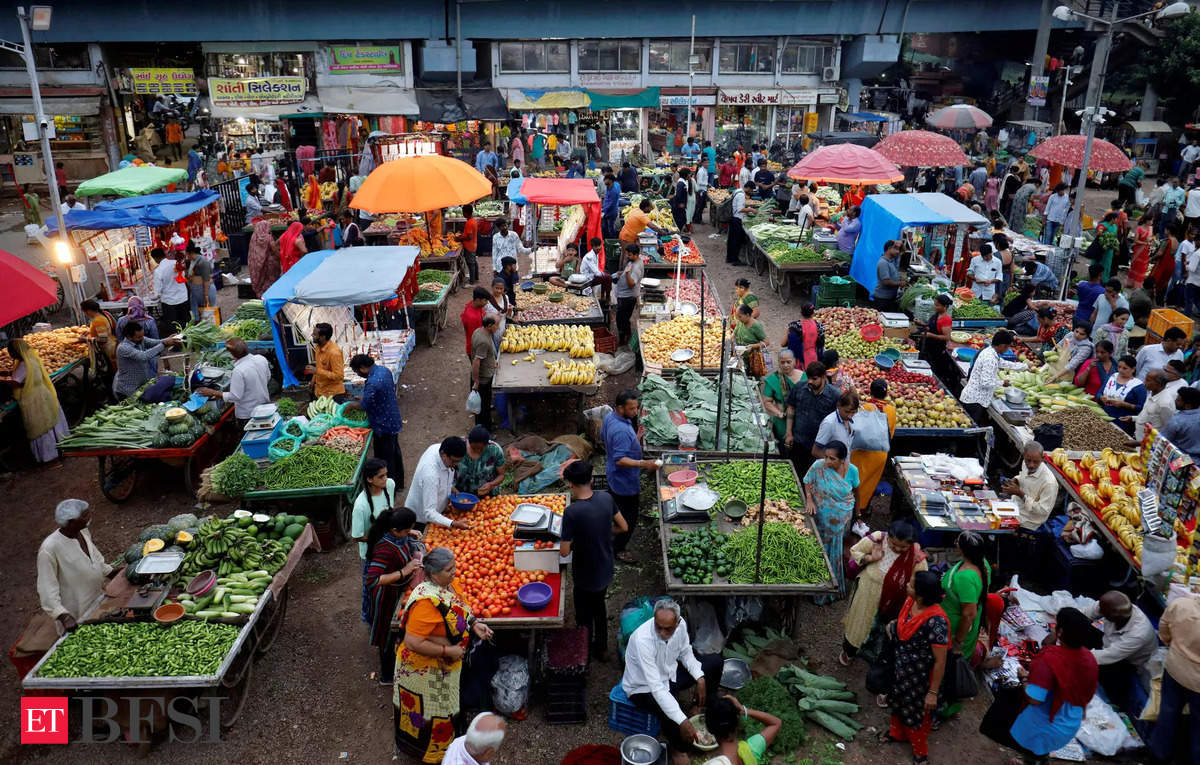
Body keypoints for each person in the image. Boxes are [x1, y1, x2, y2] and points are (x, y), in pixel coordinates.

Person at [393, 547, 494, 763]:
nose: (454, 572)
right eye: (449, 570)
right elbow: (412, 641)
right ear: (433, 573)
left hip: (445, 666)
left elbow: (460, 607)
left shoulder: (447, 585)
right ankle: (430, 754)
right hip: (424, 671)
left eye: (454, 567)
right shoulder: (425, 602)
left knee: (445, 709)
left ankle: (447, 746)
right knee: (430, 713)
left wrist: (474, 624)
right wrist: (448, 650)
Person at [622, 598, 723, 765]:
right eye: (658, 627)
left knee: (714, 663)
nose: (661, 633)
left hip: (669, 674)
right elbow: (657, 688)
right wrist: (682, 721)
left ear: (677, 623)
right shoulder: (642, 640)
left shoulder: (681, 626)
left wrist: (700, 678)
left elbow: (685, 653)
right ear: (654, 620)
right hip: (643, 687)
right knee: (672, 714)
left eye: (667, 629)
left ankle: (700, 706)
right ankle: (678, 749)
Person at [1002, 608, 1100, 765]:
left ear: (1060, 631)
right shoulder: (1089, 658)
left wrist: (1024, 679)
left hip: (1043, 727)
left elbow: (1034, 700)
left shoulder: (1049, 660)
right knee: (1040, 755)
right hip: (1069, 723)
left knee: (1033, 755)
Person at [1045, 591, 1157, 713]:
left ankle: (1117, 705)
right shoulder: (1109, 607)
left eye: (1103, 612)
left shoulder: (1138, 633)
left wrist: (1066, 655)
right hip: (1107, 643)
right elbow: (1080, 616)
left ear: (1111, 616)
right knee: (1071, 617)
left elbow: (1107, 656)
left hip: (1126, 663)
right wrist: (1057, 631)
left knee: (1098, 672)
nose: (1098, 609)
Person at [559, 460, 626, 661]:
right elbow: (623, 527)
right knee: (599, 607)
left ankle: (583, 650)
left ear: (570, 484)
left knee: (583, 613)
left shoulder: (572, 512)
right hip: (604, 568)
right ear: (591, 479)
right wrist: (604, 532)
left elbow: (564, 551)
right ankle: (602, 649)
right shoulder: (606, 498)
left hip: (584, 573)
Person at [882, 571, 950, 765]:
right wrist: (894, 625)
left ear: (920, 596)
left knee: (917, 714)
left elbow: (940, 661)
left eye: (911, 585)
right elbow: (903, 624)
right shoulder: (911, 602)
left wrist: (933, 692)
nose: (907, 586)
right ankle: (897, 733)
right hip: (902, 669)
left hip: (920, 678)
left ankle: (920, 753)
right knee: (897, 702)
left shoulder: (937, 622)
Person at [841, 518, 926, 666]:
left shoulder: (917, 557)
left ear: (911, 544)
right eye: (894, 545)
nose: (898, 550)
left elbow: (921, 580)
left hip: (894, 600)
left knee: (883, 630)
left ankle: (875, 657)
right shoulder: (878, 539)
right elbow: (855, 550)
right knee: (859, 622)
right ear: (888, 538)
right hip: (867, 591)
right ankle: (849, 651)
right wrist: (871, 558)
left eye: (903, 547)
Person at [37, 499, 113, 633]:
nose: (89, 517)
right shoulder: (49, 548)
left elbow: (94, 557)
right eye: (84, 515)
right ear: (71, 522)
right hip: (75, 615)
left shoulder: (83, 532)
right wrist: (63, 615)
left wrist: (110, 571)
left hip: (98, 602)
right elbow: (46, 589)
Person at [364, 507, 421, 685]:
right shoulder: (385, 548)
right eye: (406, 529)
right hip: (385, 596)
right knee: (386, 634)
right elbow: (372, 579)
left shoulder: (396, 533)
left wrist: (410, 533)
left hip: (397, 590)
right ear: (395, 530)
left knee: (395, 631)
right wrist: (404, 571)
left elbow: (405, 535)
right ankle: (387, 676)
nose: (408, 532)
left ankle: (397, 661)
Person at [939, 531, 992, 718]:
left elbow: (969, 613)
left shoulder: (964, 577)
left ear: (962, 549)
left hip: (957, 630)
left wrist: (957, 642)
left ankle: (945, 708)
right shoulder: (984, 565)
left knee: (949, 668)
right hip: (969, 628)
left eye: (957, 542)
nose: (955, 544)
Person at [603, 390, 658, 564]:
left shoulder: (609, 418)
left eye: (636, 407)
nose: (635, 412)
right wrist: (644, 463)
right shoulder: (620, 431)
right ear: (620, 408)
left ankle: (606, 532)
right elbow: (620, 460)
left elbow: (605, 439)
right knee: (629, 517)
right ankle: (618, 548)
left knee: (616, 509)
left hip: (612, 474)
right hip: (624, 481)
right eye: (631, 408)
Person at [804, 441, 859, 602]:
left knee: (833, 549)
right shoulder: (818, 466)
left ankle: (829, 588)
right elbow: (808, 480)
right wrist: (809, 500)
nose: (827, 461)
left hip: (840, 517)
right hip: (821, 515)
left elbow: (857, 490)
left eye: (832, 459)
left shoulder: (852, 471)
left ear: (842, 460)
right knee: (818, 547)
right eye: (826, 457)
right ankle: (813, 585)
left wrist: (858, 513)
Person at [1149, 591, 1200, 764]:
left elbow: (1164, 630)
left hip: (1175, 669)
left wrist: (1173, 643)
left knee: (1168, 712)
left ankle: (1159, 753)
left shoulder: (1181, 605)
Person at [2, 340, 70, 463]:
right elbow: (20, 375)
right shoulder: (32, 358)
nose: (10, 354)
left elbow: (15, 382)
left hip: (34, 399)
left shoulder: (23, 364)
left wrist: (1, 381)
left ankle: (50, 458)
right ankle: (61, 449)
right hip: (44, 394)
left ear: (17, 351)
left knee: (41, 427)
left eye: (11, 351)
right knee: (51, 422)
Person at [347, 354, 405, 487]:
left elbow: (364, 406)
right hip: (392, 418)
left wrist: (351, 405)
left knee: (385, 458)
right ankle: (399, 483)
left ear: (362, 368)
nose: (358, 375)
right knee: (394, 452)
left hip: (382, 423)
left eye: (357, 372)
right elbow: (380, 395)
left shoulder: (373, 382)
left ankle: (389, 487)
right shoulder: (384, 370)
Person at [850, 379, 896, 519]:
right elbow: (891, 434)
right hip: (879, 455)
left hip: (860, 452)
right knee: (869, 483)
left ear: (870, 391)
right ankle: (862, 511)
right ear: (886, 393)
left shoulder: (863, 408)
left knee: (855, 481)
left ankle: (850, 510)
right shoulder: (891, 410)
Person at [406, 437, 473, 532]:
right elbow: (429, 512)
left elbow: (444, 477)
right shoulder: (431, 474)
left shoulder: (437, 448)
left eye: (459, 461)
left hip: (437, 512)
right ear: (443, 454)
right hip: (420, 519)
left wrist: (450, 487)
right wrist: (453, 523)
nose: (456, 465)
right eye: (454, 461)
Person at [785, 361, 840, 476]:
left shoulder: (835, 396)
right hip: (798, 442)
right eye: (809, 378)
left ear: (824, 377)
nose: (810, 381)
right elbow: (791, 407)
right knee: (794, 473)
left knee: (813, 478)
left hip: (819, 448)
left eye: (814, 379)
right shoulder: (800, 387)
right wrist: (789, 433)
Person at [960, 330, 1027, 425]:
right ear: (1003, 346)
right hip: (975, 401)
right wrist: (1002, 383)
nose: (1007, 349)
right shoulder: (990, 358)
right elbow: (985, 383)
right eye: (1007, 347)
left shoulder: (990, 351)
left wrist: (1025, 366)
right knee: (970, 427)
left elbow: (1002, 363)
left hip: (974, 398)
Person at [704, 695, 781, 765]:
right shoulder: (751, 749)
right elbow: (776, 723)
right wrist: (744, 710)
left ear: (709, 729)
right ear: (737, 722)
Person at [112, 321, 180, 399]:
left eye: (142, 336)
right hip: (127, 390)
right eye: (138, 337)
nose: (142, 339)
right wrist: (165, 344)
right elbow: (144, 356)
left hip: (139, 387)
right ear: (129, 337)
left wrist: (169, 339)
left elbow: (156, 342)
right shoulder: (123, 348)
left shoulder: (141, 339)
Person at [1000, 443, 1058, 531]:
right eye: (1028, 460)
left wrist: (1020, 494)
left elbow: (1042, 511)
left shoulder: (1049, 483)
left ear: (1042, 459)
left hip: (1028, 522)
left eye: (1035, 462)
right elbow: (1023, 477)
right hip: (1015, 506)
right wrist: (1016, 480)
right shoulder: (1025, 463)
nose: (1031, 465)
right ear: (1023, 456)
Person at [760, 349, 804, 454]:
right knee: (784, 449)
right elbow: (767, 402)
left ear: (795, 361)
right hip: (782, 422)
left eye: (788, 362)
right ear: (778, 362)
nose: (785, 365)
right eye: (782, 362)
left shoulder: (804, 377)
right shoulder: (773, 380)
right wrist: (779, 413)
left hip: (802, 421)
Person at [1097, 354, 1146, 434]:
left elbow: (1141, 407)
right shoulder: (1111, 377)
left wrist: (1125, 404)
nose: (1120, 370)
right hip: (1104, 416)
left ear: (1133, 369)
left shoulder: (1138, 386)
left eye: (1124, 368)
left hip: (1123, 422)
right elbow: (1099, 393)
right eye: (1119, 367)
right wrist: (1101, 398)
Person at [454, 426, 505, 497]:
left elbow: (501, 475)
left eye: (481, 448)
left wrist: (491, 484)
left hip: (487, 495)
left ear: (487, 444)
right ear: (468, 442)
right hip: (461, 495)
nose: (477, 451)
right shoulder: (459, 447)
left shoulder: (495, 450)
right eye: (473, 448)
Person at [301, 322, 347, 401]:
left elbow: (339, 376)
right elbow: (319, 367)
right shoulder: (318, 347)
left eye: (315, 334)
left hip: (333, 395)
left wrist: (317, 371)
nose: (312, 335)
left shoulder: (334, 353)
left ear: (323, 337)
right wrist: (313, 381)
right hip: (319, 392)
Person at [470, 315, 499, 430]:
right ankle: (485, 430)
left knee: (485, 404)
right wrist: (476, 382)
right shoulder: (483, 341)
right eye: (496, 325)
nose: (498, 327)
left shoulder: (478, 331)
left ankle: (484, 426)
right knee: (483, 406)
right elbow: (477, 361)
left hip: (485, 372)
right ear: (490, 326)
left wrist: (492, 363)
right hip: (483, 378)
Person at [151, 248, 190, 332]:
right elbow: (183, 276)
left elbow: (157, 290)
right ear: (164, 255)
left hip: (169, 301)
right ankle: (188, 338)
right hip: (182, 297)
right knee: (185, 322)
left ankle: (178, 342)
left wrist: (155, 295)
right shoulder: (175, 263)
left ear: (155, 258)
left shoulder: (158, 270)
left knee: (173, 325)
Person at [1133, 369, 1177, 440]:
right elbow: (1148, 415)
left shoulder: (1165, 403)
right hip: (1138, 437)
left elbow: (1167, 428)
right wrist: (1133, 418)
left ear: (1158, 384)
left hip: (1148, 444)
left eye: (1148, 380)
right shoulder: (1152, 393)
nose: (1144, 382)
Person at [615, 244, 644, 348]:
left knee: (621, 318)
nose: (627, 256)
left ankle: (623, 339)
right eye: (627, 253)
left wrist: (626, 274)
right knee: (624, 318)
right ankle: (626, 335)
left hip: (628, 297)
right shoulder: (634, 261)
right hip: (624, 294)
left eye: (629, 254)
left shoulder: (636, 267)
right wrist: (622, 273)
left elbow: (632, 283)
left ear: (636, 255)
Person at [1162, 386, 1200, 461]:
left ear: (1187, 405)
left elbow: (1163, 441)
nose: (1175, 401)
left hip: (1181, 460)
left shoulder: (1176, 421)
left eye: (1178, 400)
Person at [783, 303, 824, 369]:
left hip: (798, 361)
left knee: (800, 377)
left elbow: (783, 344)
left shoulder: (794, 326)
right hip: (813, 358)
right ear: (813, 313)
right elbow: (820, 346)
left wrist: (787, 331)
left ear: (801, 313)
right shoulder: (819, 326)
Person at [246, 219, 281, 297]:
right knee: (270, 280)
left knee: (261, 280)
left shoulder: (254, 237)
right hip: (269, 263)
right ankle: (271, 296)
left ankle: (261, 294)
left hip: (257, 263)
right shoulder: (268, 238)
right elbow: (274, 249)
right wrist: (281, 257)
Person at [82, 298, 118, 371]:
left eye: (84, 312)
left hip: (109, 349)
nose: (85, 314)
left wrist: (86, 339)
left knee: (114, 370)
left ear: (88, 311)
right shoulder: (103, 315)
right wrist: (90, 332)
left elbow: (103, 339)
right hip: (112, 344)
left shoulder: (98, 321)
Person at [733, 304, 767, 375]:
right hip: (740, 355)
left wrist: (753, 346)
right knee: (737, 374)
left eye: (740, 316)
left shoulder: (756, 326)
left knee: (750, 377)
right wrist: (724, 343)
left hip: (752, 358)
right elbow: (734, 334)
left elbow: (766, 342)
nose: (738, 319)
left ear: (747, 315)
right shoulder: (741, 322)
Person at [185, 244, 215, 322]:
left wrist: (206, 294)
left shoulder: (203, 262)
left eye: (187, 254)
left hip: (205, 289)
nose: (186, 256)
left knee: (209, 309)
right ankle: (197, 321)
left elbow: (206, 280)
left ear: (191, 253)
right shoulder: (192, 261)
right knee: (195, 309)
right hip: (195, 290)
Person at [873, 239, 905, 312]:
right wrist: (900, 283)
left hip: (889, 298)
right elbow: (886, 282)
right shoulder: (883, 263)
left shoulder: (891, 261)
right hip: (882, 299)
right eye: (896, 248)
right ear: (889, 248)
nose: (898, 251)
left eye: (899, 249)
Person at [726, 182, 754, 264]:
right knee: (736, 241)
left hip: (733, 218)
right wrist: (751, 210)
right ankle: (735, 260)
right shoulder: (741, 195)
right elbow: (740, 209)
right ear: (748, 188)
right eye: (751, 190)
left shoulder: (737, 191)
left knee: (731, 240)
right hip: (737, 219)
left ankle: (730, 258)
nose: (751, 192)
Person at [460, 287, 489, 360]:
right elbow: (476, 337)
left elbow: (483, 313)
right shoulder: (471, 317)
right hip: (475, 348)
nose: (487, 303)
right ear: (477, 300)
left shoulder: (474, 304)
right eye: (485, 300)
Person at [670, 167, 693, 231]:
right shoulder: (681, 183)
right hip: (678, 207)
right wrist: (680, 204)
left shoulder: (683, 182)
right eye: (689, 174)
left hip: (680, 206)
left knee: (682, 220)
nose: (690, 175)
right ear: (685, 174)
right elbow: (678, 195)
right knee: (680, 221)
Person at [602, 174, 621, 239]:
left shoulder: (613, 191)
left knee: (611, 228)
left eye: (605, 180)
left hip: (611, 212)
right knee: (605, 227)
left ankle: (613, 240)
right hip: (606, 210)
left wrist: (603, 210)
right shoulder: (608, 187)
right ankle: (607, 238)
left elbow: (612, 204)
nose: (604, 181)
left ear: (610, 180)